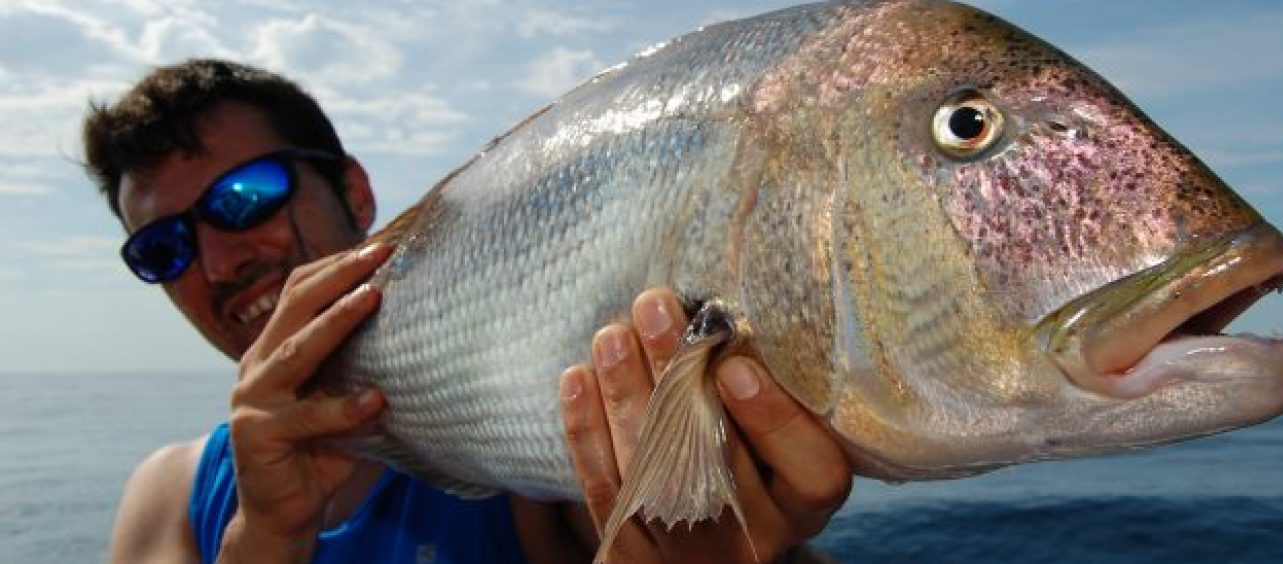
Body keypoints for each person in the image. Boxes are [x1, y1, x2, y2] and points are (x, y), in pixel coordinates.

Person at [82, 58, 851, 563]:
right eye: (162, 249)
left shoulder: (515, 437)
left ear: (353, 191)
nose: (217, 261)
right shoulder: (172, 496)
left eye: (243, 199)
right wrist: (267, 537)